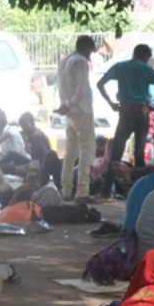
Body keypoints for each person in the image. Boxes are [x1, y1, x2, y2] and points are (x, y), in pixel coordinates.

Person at [100, 43, 154, 169]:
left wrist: (111, 103)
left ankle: (108, 185)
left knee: (117, 151)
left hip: (125, 112)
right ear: (145, 56)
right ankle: (138, 184)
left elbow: (100, 84)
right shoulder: (147, 69)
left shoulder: (120, 67)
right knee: (139, 152)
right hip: (142, 112)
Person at [56, 35, 98, 200]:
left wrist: (65, 105)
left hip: (70, 113)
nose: (91, 55)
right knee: (86, 151)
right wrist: (70, 104)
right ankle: (82, 192)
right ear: (86, 48)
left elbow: (62, 86)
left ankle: (66, 191)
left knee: (70, 153)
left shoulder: (65, 60)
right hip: (81, 110)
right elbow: (81, 89)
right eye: (91, 51)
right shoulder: (80, 61)